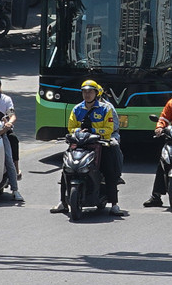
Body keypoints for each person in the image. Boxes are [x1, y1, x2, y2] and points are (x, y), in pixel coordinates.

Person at [53, 80, 124, 215]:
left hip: (101, 144)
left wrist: (93, 131)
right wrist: (79, 132)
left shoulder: (106, 108)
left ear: (96, 94)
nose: (87, 94)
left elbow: (109, 129)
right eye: (85, 92)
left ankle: (114, 204)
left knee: (109, 170)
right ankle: (63, 202)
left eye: (90, 92)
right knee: (66, 170)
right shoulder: (77, 109)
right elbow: (71, 128)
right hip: (80, 144)